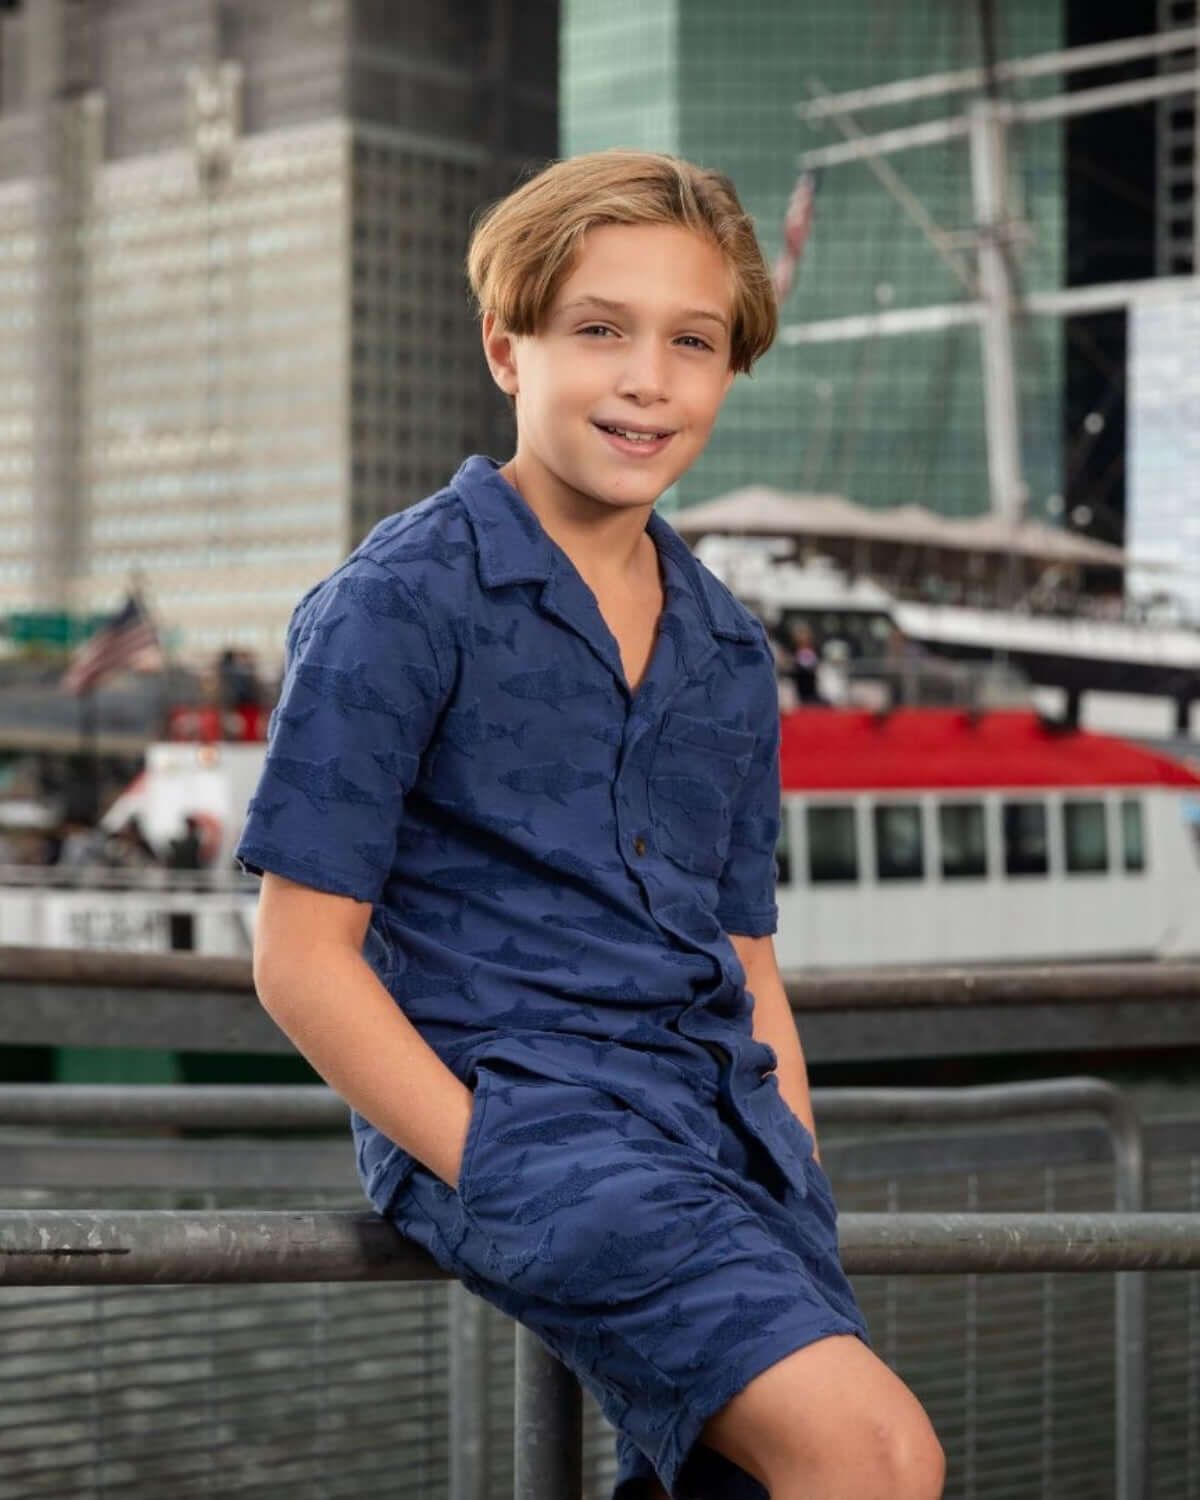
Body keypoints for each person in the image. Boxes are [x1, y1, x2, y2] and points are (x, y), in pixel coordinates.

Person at [236, 149, 944, 1500]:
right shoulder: (400, 602)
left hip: (726, 1140)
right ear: (509, 348)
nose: (647, 378)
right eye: (598, 330)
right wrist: (483, 1158)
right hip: (530, 1132)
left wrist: (794, 1154)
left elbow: (746, 955)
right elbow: (299, 955)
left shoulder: (730, 650)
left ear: (732, 373)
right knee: (875, 1454)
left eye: (694, 341)